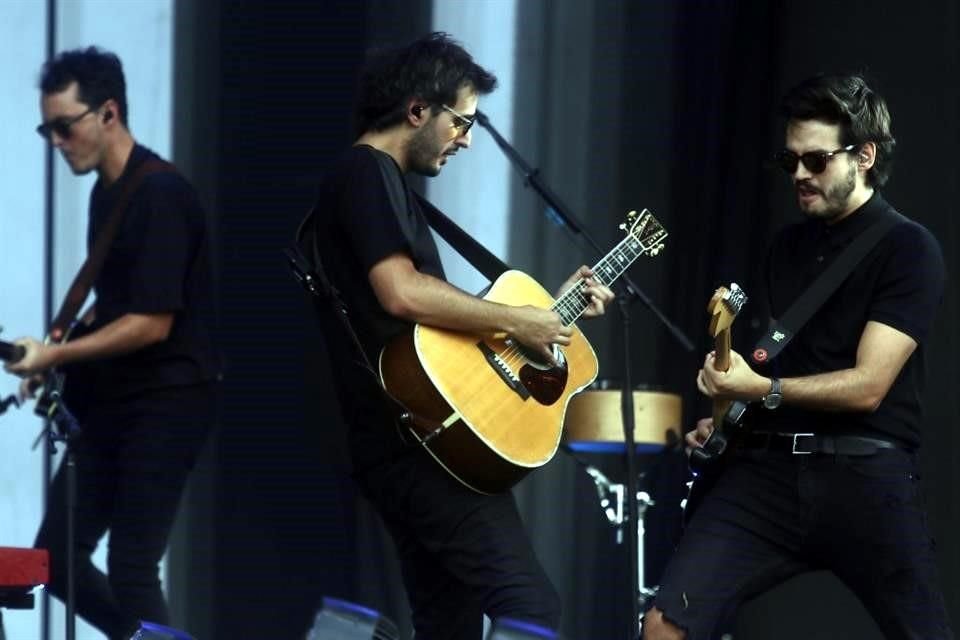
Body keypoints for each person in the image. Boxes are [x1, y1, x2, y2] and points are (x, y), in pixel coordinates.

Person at [296, 32, 614, 639]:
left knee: (448, 621)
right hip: (420, 446)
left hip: (411, 441)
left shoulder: (375, 180)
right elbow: (401, 293)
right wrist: (521, 319)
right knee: (529, 607)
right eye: (461, 122)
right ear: (418, 110)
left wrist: (549, 312)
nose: (466, 139)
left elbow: (423, 326)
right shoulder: (365, 172)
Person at [642, 73, 953, 639]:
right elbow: (775, 368)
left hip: (865, 475)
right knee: (666, 625)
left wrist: (757, 389)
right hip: (768, 475)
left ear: (863, 155)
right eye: (790, 162)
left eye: (815, 161)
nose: (801, 176)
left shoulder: (909, 248)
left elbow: (868, 386)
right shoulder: (786, 249)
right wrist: (724, 421)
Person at [4, 47, 218, 640]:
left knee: (132, 565)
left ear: (108, 113)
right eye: (46, 128)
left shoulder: (163, 196)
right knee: (59, 559)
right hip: (112, 398)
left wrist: (58, 355)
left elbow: (152, 322)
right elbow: (116, 302)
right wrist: (52, 358)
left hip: (168, 399)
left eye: (63, 126)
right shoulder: (108, 194)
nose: (55, 140)